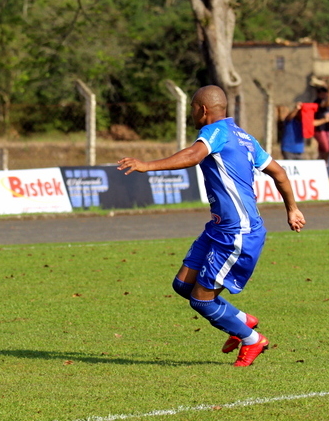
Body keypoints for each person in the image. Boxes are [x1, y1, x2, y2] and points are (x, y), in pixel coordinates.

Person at [117, 85, 306, 367]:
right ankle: (241, 320)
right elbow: (278, 172)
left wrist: (146, 165)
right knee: (183, 285)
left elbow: (193, 156)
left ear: (203, 110)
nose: (191, 112)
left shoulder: (214, 132)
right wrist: (292, 208)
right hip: (218, 228)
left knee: (201, 301)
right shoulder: (245, 137)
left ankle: (252, 339)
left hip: (237, 233)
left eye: (192, 107)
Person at [312, 81, 329, 162]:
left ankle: (321, 164)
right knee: (327, 149)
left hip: (327, 129)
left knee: (323, 150)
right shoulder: (318, 101)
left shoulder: (326, 106)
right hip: (320, 129)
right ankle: (323, 163)